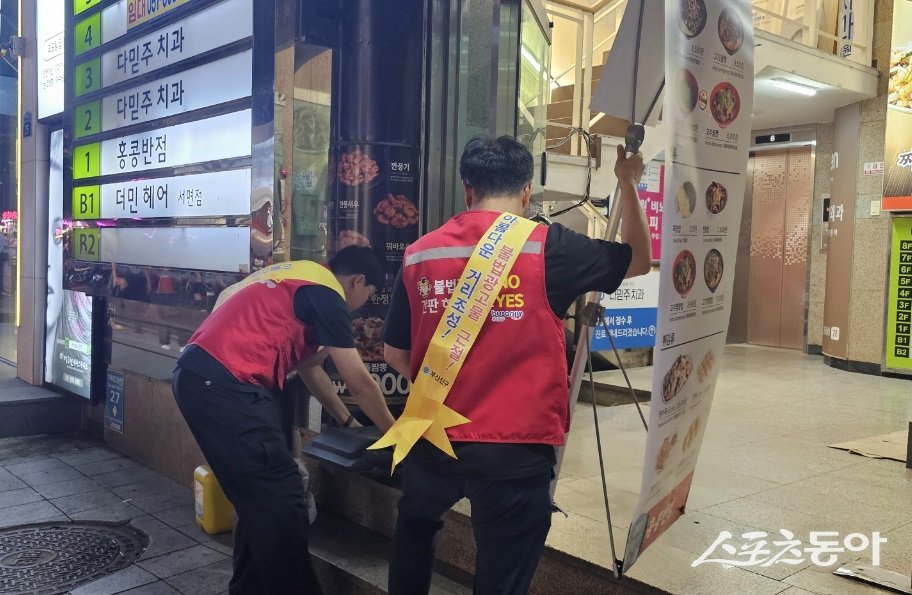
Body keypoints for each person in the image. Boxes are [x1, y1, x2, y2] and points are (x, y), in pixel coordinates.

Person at [378, 136, 650, 594]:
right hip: (516, 449)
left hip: (432, 440)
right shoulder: (550, 248)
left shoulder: (421, 252)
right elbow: (639, 259)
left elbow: (395, 354)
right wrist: (627, 183)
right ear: (527, 191)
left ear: (468, 189)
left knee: (413, 535)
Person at [171, 246, 396, 594]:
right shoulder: (327, 293)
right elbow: (359, 379)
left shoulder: (300, 276)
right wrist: (397, 435)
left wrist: (347, 421)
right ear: (358, 281)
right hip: (227, 385)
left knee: (258, 500)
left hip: (199, 377)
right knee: (281, 499)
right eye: (366, 297)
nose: (361, 306)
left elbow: (310, 369)